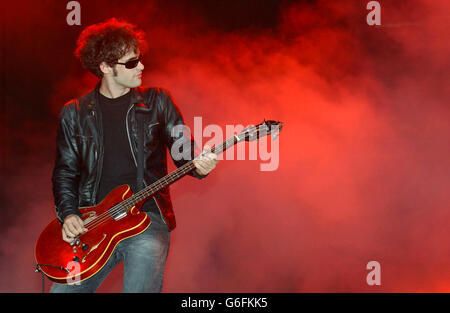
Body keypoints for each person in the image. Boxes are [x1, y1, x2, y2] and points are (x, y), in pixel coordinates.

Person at [50, 18, 218, 293]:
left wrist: (201, 165)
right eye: (130, 63)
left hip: (145, 217)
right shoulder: (74, 112)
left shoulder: (158, 101)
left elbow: (184, 153)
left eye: (139, 59)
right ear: (105, 67)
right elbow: (65, 171)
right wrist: (69, 214)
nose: (141, 66)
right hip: (93, 224)